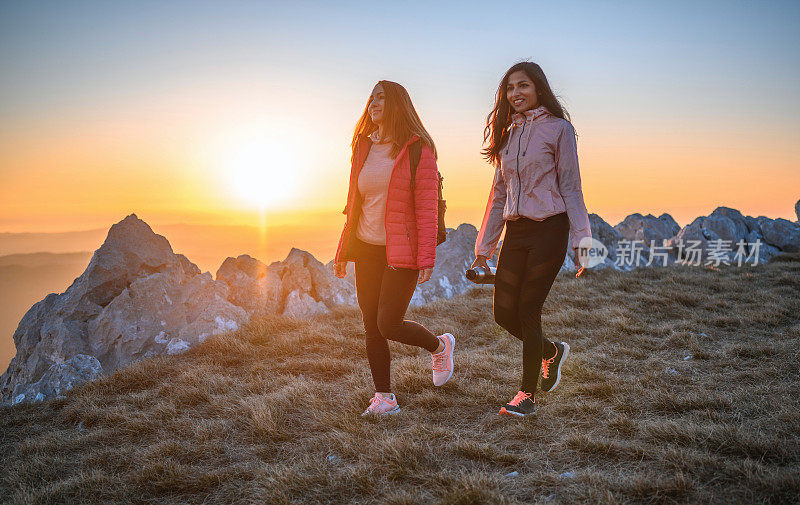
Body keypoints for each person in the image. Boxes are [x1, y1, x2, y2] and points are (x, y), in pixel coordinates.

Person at [472, 62, 591, 417]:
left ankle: (526, 395)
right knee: (503, 313)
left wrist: (582, 243)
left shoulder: (559, 130)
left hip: (550, 229)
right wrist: (483, 250)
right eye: (510, 88)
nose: (515, 94)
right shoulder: (507, 135)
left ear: (539, 88)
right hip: (517, 231)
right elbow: (497, 197)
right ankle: (551, 352)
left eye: (523, 85)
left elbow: (571, 187)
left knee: (528, 309)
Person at [333, 80, 455, 417]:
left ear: (397, 104)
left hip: (402, 249)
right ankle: (384, 398)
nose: (373, 102)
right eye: (371, 96)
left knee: (389, 323)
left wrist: (427, 256)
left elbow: (427, 207)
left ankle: (439, 345)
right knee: (371, 325)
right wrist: (344, 249)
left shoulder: (418, 149)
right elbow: (354, 202)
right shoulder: (362, 147)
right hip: (367, 247)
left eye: (382, 97)